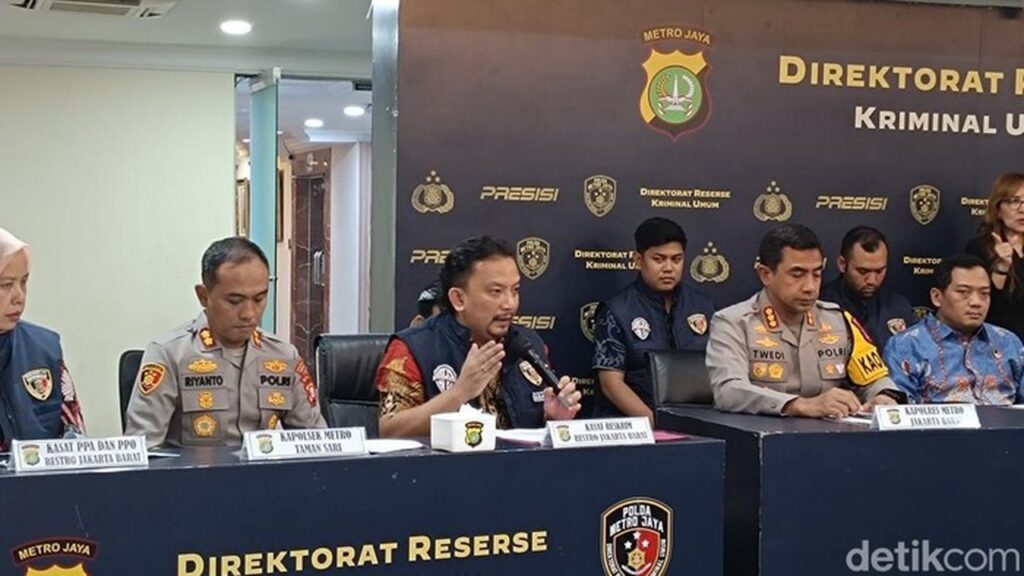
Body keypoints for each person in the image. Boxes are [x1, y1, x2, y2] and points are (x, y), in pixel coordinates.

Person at [125, 237, 325, 447]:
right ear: (203, 296)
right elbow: (144, 448)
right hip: (195, 469)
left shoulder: (283, 356)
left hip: (262, 468)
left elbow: (315, 442)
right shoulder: (170, 355)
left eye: (259, 299)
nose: (249, 314)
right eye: (235, 301)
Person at [376, 236, 581, 438]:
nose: (510, 304)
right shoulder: (413, 348)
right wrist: (460, 393)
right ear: (459, 299)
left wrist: (553, 421)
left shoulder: (528, 344)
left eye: (515, 290)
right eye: (496, 291)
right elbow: (390, 430)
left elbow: (533, 435)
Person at [706, 223, 903, 417]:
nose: (810, 287)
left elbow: (874, 378)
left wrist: (884, 396)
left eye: (816, 274)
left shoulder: (839, 320)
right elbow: (728, 391)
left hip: (830, 434)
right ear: (765, 274)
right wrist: (799, 405)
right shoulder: (733, 323)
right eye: (797, 275)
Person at [592, 217, 715, 420]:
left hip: (698, 422)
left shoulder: (703, 306)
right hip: (638, 425)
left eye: (676, 259)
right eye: (659, 259)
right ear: (638, 260)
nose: (668, 268)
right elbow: (611, 383)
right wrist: (656, 423)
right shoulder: (617, 310)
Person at [883, 254, 1024, 404]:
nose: (976, 302)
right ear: (937, 297)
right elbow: (897, 409)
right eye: (963, 292)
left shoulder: (1008, 342)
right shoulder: (907, 345)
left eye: (984, 293)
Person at [0, 227, 84, 447]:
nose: (19, 296)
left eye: (24, 282)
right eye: (6, 285)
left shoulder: (45, 350)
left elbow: (76, 441)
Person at [820, 226, 916, 352]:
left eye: (879, 271)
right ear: (842, 264)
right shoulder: (821, 306)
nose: (872, 280)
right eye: (863, 271)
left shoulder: (899, 306)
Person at [966, 172, 1024, 340]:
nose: (1022, 209)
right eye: (1014, 201)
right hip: (998, 342)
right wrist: (1001, 267)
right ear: (998, 209)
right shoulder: (980, 248)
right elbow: (984, 308)